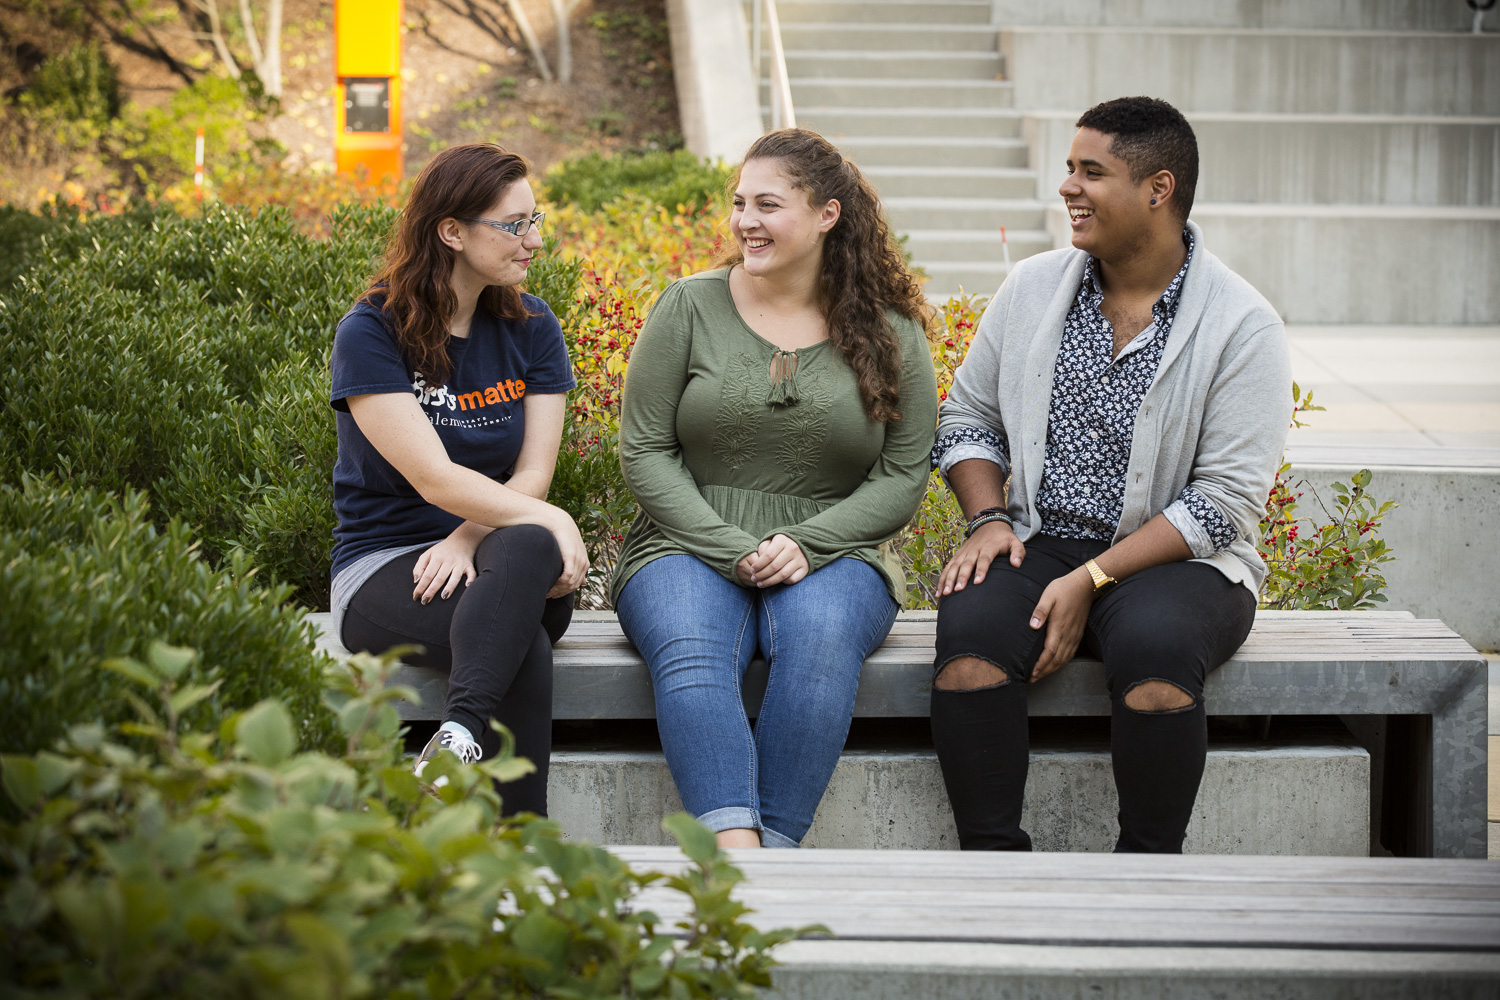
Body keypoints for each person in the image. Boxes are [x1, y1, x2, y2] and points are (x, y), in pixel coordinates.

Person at [929, 97, 1292, 853]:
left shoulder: (1241, 324)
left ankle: (1145, 878)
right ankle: (992, 871)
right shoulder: (1032, 289)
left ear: (1157, 190)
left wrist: (1092, 579)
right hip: (1039, 541)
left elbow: (1223, 505)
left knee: (1157, 656)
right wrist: (989, 518)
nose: (1068, 187)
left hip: (1179, 563)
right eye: (1069, 168)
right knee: (968, 648)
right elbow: (964, 418)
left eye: (1091, 172)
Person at [612, 128, 939, 849]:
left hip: (840, 547)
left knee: (820, 641)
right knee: (691, 643)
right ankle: (739, 858)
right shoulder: (688, 307)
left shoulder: (893, 329)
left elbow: (902, 475)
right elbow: (645, 450)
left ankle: (775, 854)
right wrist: (733, 547)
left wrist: (808, 543)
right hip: (683, 539)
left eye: (767, 204)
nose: (744, 222)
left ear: (827, 214)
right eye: (738, 203)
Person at [328, 142, 588, 816]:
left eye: (536, 219)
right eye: (513, 225)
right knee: (521, 630)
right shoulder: (372, 330)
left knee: (525, 551)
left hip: (503, 563)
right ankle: (522, 844)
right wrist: (556, 520)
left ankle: (459, 738)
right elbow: (433, 479)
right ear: (451, 231)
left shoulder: (533, 328)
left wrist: (470, 538)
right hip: (389, 570)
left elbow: (533, 471)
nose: (533, 240)